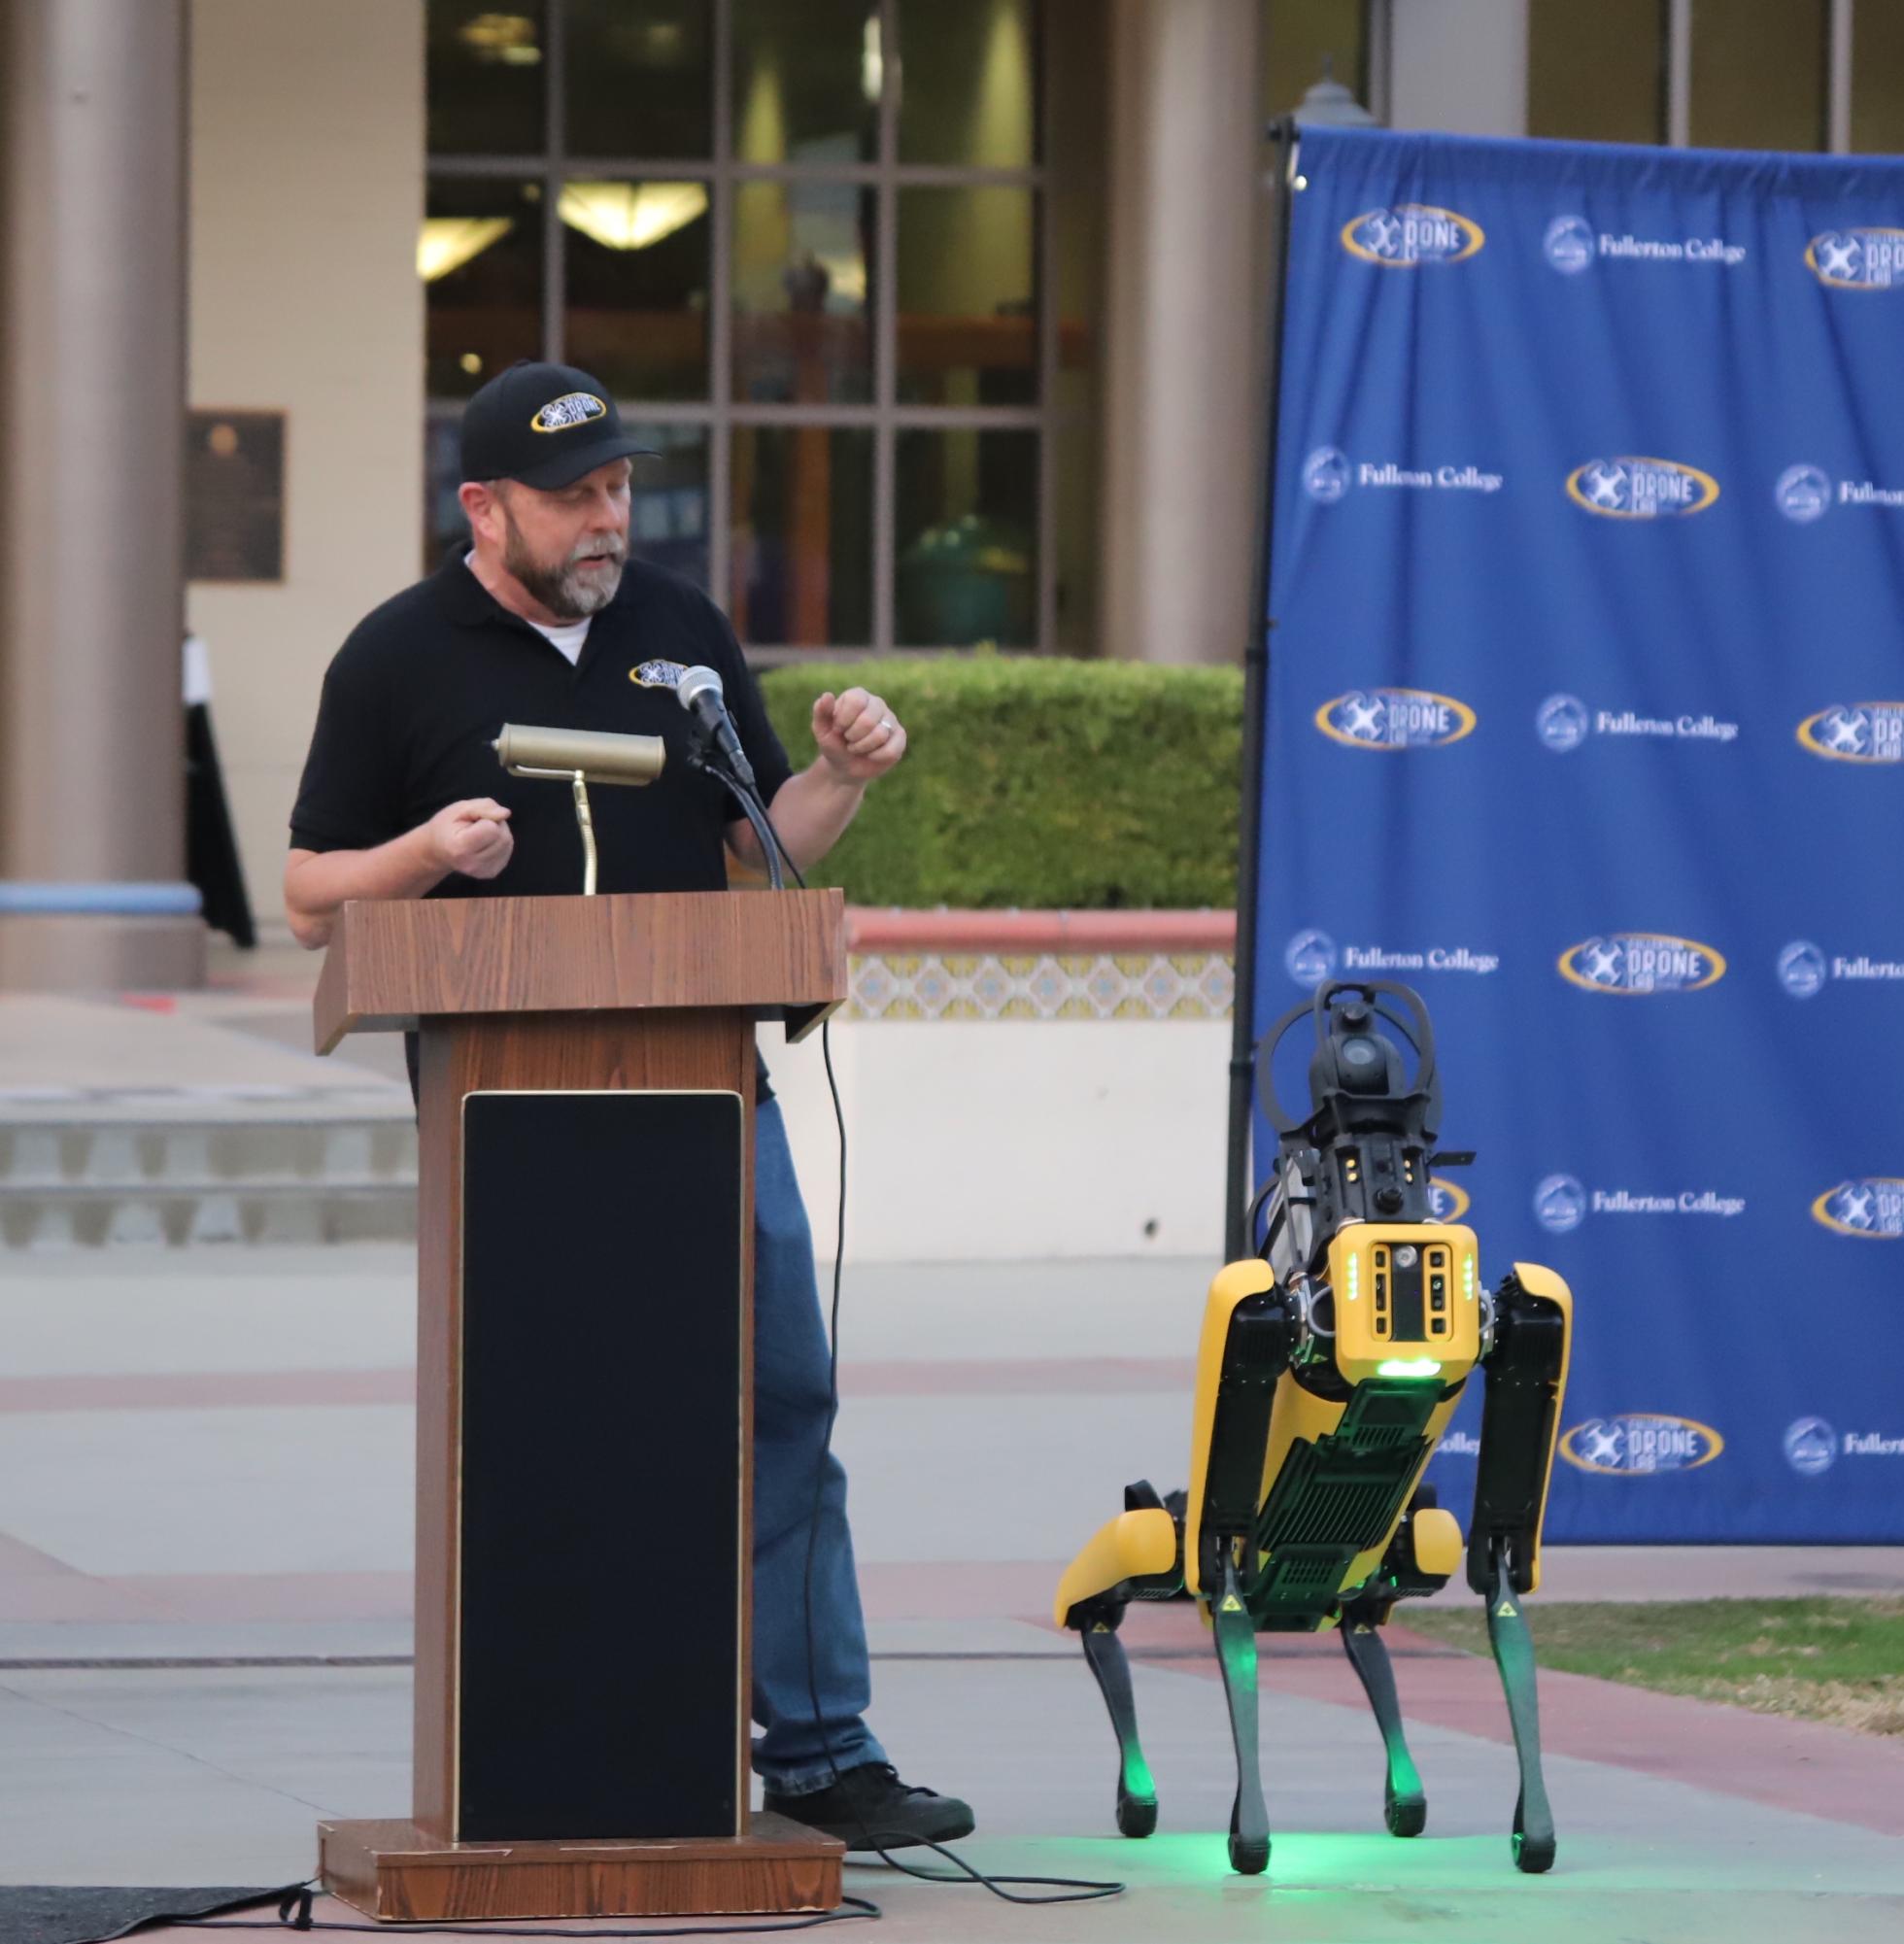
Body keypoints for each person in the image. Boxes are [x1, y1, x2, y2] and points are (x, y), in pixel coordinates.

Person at [283, 359, 972, 1851]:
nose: (611, 518)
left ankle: (823, 1752)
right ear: (483, 505)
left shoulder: (680, 628)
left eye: (619, 486)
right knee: (556, 1420)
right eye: (574, 494)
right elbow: (306, 893)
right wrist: (421, 851)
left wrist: (841, 782)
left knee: (786, 1391)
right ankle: (547, 1749)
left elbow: (755, 848)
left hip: (710, 1083)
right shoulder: (398, 656)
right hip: (507, 1120)